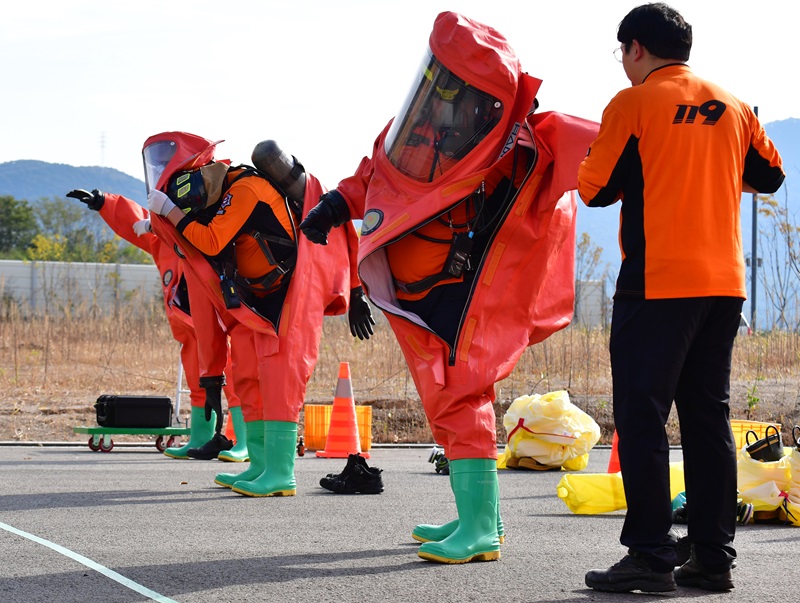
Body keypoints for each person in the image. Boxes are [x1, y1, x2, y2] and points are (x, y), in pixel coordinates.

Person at [299, 11, 598, 564]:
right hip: (418, 298)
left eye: (450, 85)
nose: (437, 92)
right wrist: (334, 205)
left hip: (464, 299)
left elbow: (610, 151)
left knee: (462, 399)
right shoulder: (421, 132)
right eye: (435, 79)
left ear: (481, 98)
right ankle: (477, 517)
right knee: (446, 403)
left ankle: (481, 528)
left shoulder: (525, 143)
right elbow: (378, 176)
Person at [577, 3, 785, 593]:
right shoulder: (734, 105)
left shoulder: (634, 103)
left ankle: (648, 555)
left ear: (636, 48)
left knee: (642, 419)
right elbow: (770, 176)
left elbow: (593, 189)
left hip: (658, 282)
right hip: (724, 285)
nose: (622, 62)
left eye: (621, 51)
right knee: (706, 417)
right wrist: (707, 160)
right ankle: (712, 559)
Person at [144, 132, 371, 496]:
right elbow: (206, 296)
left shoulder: (244, 187)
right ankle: (262, 465)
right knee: (249, 374)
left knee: (280, 377)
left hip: (289, 295)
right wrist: (212, 376)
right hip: (256, 303)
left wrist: (357, 289)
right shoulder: (216, 202)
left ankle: (281, 472)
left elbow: (213, 240)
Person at [65, 186, 247, 462]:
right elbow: (135, 220)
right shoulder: (161, 238)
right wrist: (104, 202)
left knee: (234, 375)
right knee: (198, 373)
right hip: (188, 319)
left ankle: (246, 443)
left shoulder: (204, 218)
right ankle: (200, 437)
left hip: (221, 314)